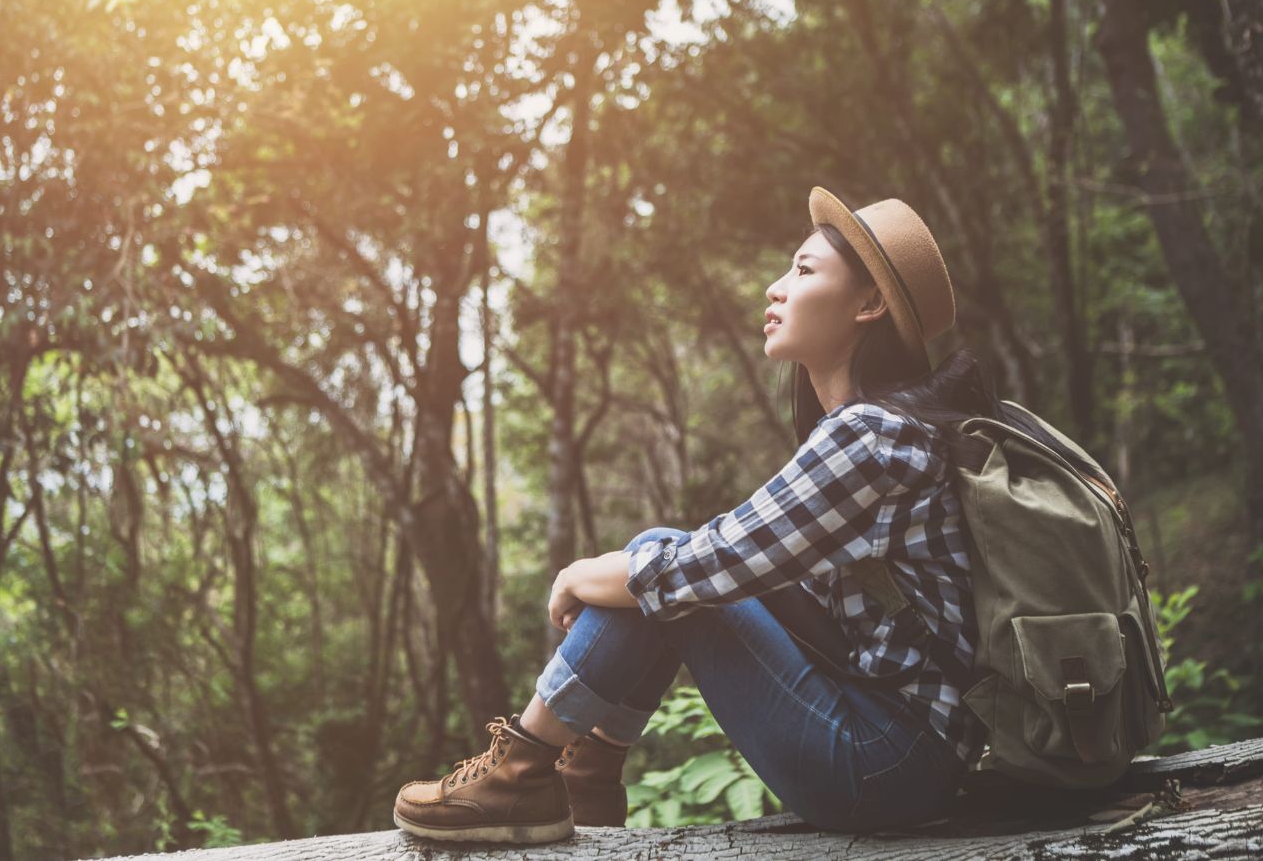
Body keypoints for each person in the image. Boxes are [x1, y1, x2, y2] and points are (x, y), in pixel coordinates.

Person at [391, 187, 1004, 843]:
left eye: (803, 270)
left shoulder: (874, 438)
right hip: (898, 745)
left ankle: (524, 772)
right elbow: (740, 570)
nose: (775, 288)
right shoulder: (880, 429)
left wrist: (580, 574)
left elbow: (708, 564)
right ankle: (582, 780)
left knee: (665, 564)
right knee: (663, 567)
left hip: (889, 762)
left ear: (869, 304)